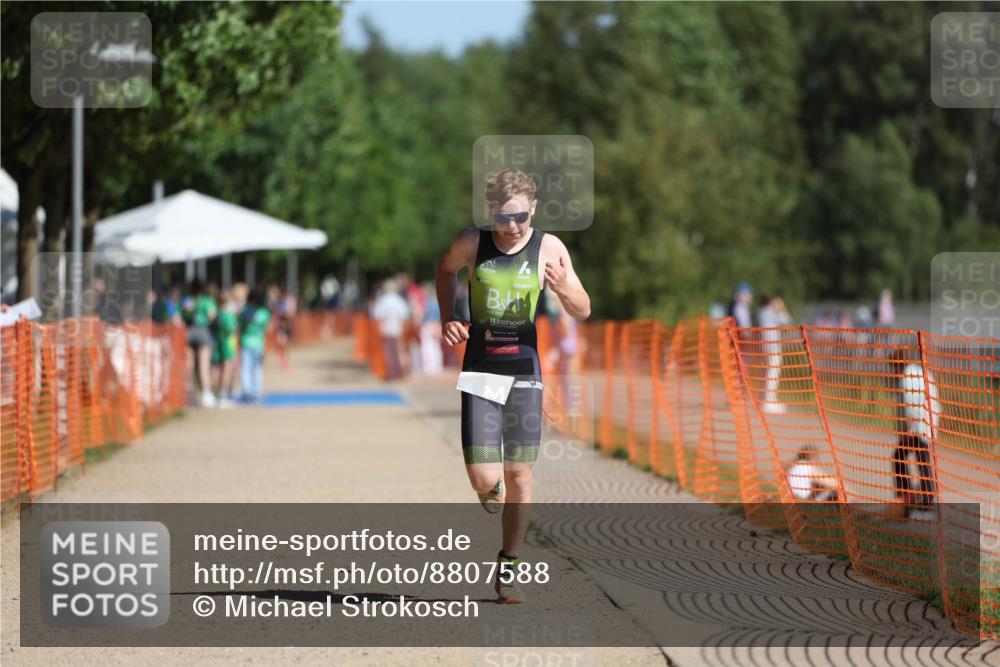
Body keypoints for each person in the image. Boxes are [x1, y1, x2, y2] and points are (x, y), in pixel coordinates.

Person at [436, 168, 591, 603]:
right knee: (485, 481)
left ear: (534, 210)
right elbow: (445, 272)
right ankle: (493, 490)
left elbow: (583, 308)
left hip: (524, 369)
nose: (513, 226)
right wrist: (448, 315)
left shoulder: (549, 248)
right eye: (504, 218)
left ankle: (510, 561)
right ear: (490, 212)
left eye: (521, 217)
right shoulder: (472, 243)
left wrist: (563, 289)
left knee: (520, 473)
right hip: (481, 367)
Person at [886, 349, 940, 519]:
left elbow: (912, 405)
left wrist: (910, 430)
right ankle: (924, 501)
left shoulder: (907, 377)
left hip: (919, 426)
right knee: (921, 462)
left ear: (896, 366)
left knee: (900, 458)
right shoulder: (920, 371)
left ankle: (908, 498)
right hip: (928, 423)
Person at [181, 280, 218, 408]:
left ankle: (190, 393)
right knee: (204, 365)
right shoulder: (207, 300)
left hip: (189, 331)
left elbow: (181, 315)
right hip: (203, 331)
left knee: (189, 365)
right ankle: (206, 394)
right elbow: (212, 316)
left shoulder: (187, 300)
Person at [757, 295, 792, 414]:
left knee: (765, 374)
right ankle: (768, 402)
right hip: (773, 347)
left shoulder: (761, 312)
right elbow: (787, 321)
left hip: (764, 347)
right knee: (772, 374)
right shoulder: (771, 312)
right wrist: (781, 308)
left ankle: (763, 400)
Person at [371, 279, 410, 380]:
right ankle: (399, 372)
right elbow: (405, 314)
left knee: (389, 352)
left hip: (387, 329)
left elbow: (376, 315)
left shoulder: (383, 300)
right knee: (398, 351)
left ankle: (391, 372)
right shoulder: (399, 300)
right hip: (398, 329)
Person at [239, 288, 271, 404]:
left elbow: (240, 326)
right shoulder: (264, 313)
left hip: (246, 341)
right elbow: (267, 329)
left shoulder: (246, 311)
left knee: (246, 368)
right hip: (258, 343)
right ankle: (256, 392)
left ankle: (247, 391)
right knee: (257, 368)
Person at [212, 288, 239, 407]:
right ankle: (224, 393)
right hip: (228, 344)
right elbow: (233, 331)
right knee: (228, 369)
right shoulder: (228, 315)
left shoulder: (217, 314)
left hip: (218, 343)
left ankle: (218, 392)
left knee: (218, 368)